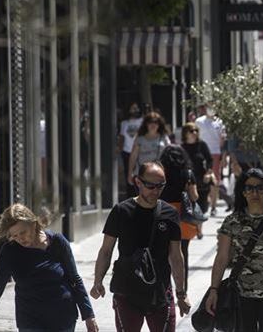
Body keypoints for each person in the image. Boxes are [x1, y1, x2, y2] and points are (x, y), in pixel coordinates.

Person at [90, 162, 190, 332]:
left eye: (160, 186)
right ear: (138, 182)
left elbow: (176, 256)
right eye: (150, 186)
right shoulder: (121, 211)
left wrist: (181, 294)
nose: (155, 191)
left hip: (160, 292)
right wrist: (98, 281)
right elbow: (106, 250)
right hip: (127, 292)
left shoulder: (170, 214)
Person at [0, 204, 97, 332]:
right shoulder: (10, 252)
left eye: (23, 232)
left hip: (62, 317)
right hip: (30, 320)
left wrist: (88, 315)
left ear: (33, 224)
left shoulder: (57, 242)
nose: (20, 238)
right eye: (14, 236)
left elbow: (74, 279)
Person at [206, 168, 263, 332]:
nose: (254, 192)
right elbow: (221, 258)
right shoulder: (232, 222)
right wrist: (213, 290)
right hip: (241, 296)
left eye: (259, 188)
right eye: (249, 188)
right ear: (243, 192)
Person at [158, 145, 199, 292]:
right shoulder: (188, 174)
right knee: (182, 253)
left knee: (163, 253)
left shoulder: (160, 173)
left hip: (163, 213)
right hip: (182, 215)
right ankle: (183, 289)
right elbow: (194, 196)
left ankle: (164, 289)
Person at [182, 122, 214, 237]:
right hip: (188, 180)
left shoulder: (202, 145)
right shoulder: (181, 147)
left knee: (202, 205)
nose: (194, 133)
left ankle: (198, 227)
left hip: (201, 179)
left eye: (196, 130)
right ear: (185, 133)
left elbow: (210, 160)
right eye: (191, 131)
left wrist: (208, 173)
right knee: (189, 204)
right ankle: (197, 230)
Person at [195, 105, 226, 215]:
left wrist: (223, 156)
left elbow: (222, 139)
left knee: (215, 180)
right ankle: (201, 203)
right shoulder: (199, 121)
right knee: (200, 178)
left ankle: (213, 206)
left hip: (215, 153)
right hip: (201, 153)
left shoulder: (219, 122)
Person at [127, 112, 170, 187]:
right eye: (150, 122)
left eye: (156, 122)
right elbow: (133, 157)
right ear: (146, 124)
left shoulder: (164, 138)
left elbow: (170, 154)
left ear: (159, 124)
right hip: (142, 175)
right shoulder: (139, 138)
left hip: (159, 174)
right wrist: (130, 173)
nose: (153, 124)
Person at [118, 102, 144, 193]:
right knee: (128, 174)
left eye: (137, 108)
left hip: (139, 151)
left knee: (140, 173)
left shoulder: (142, 121)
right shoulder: (124, 123)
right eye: (133, 108)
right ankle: (130, 194)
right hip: (127, 151)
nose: (135, 110)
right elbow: (122, 137)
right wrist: (119, 149)